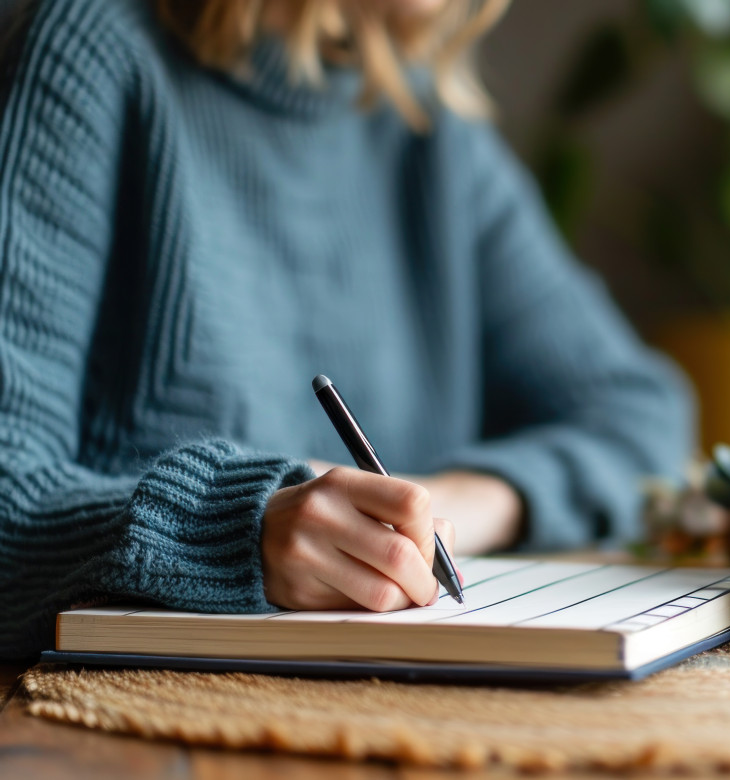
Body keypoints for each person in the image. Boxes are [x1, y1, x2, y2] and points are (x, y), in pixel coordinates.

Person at [0, 0, 692, 658]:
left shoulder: (421, 119)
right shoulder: (94, 47)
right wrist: (234, 532)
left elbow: (642, 415)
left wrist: (444, 507)